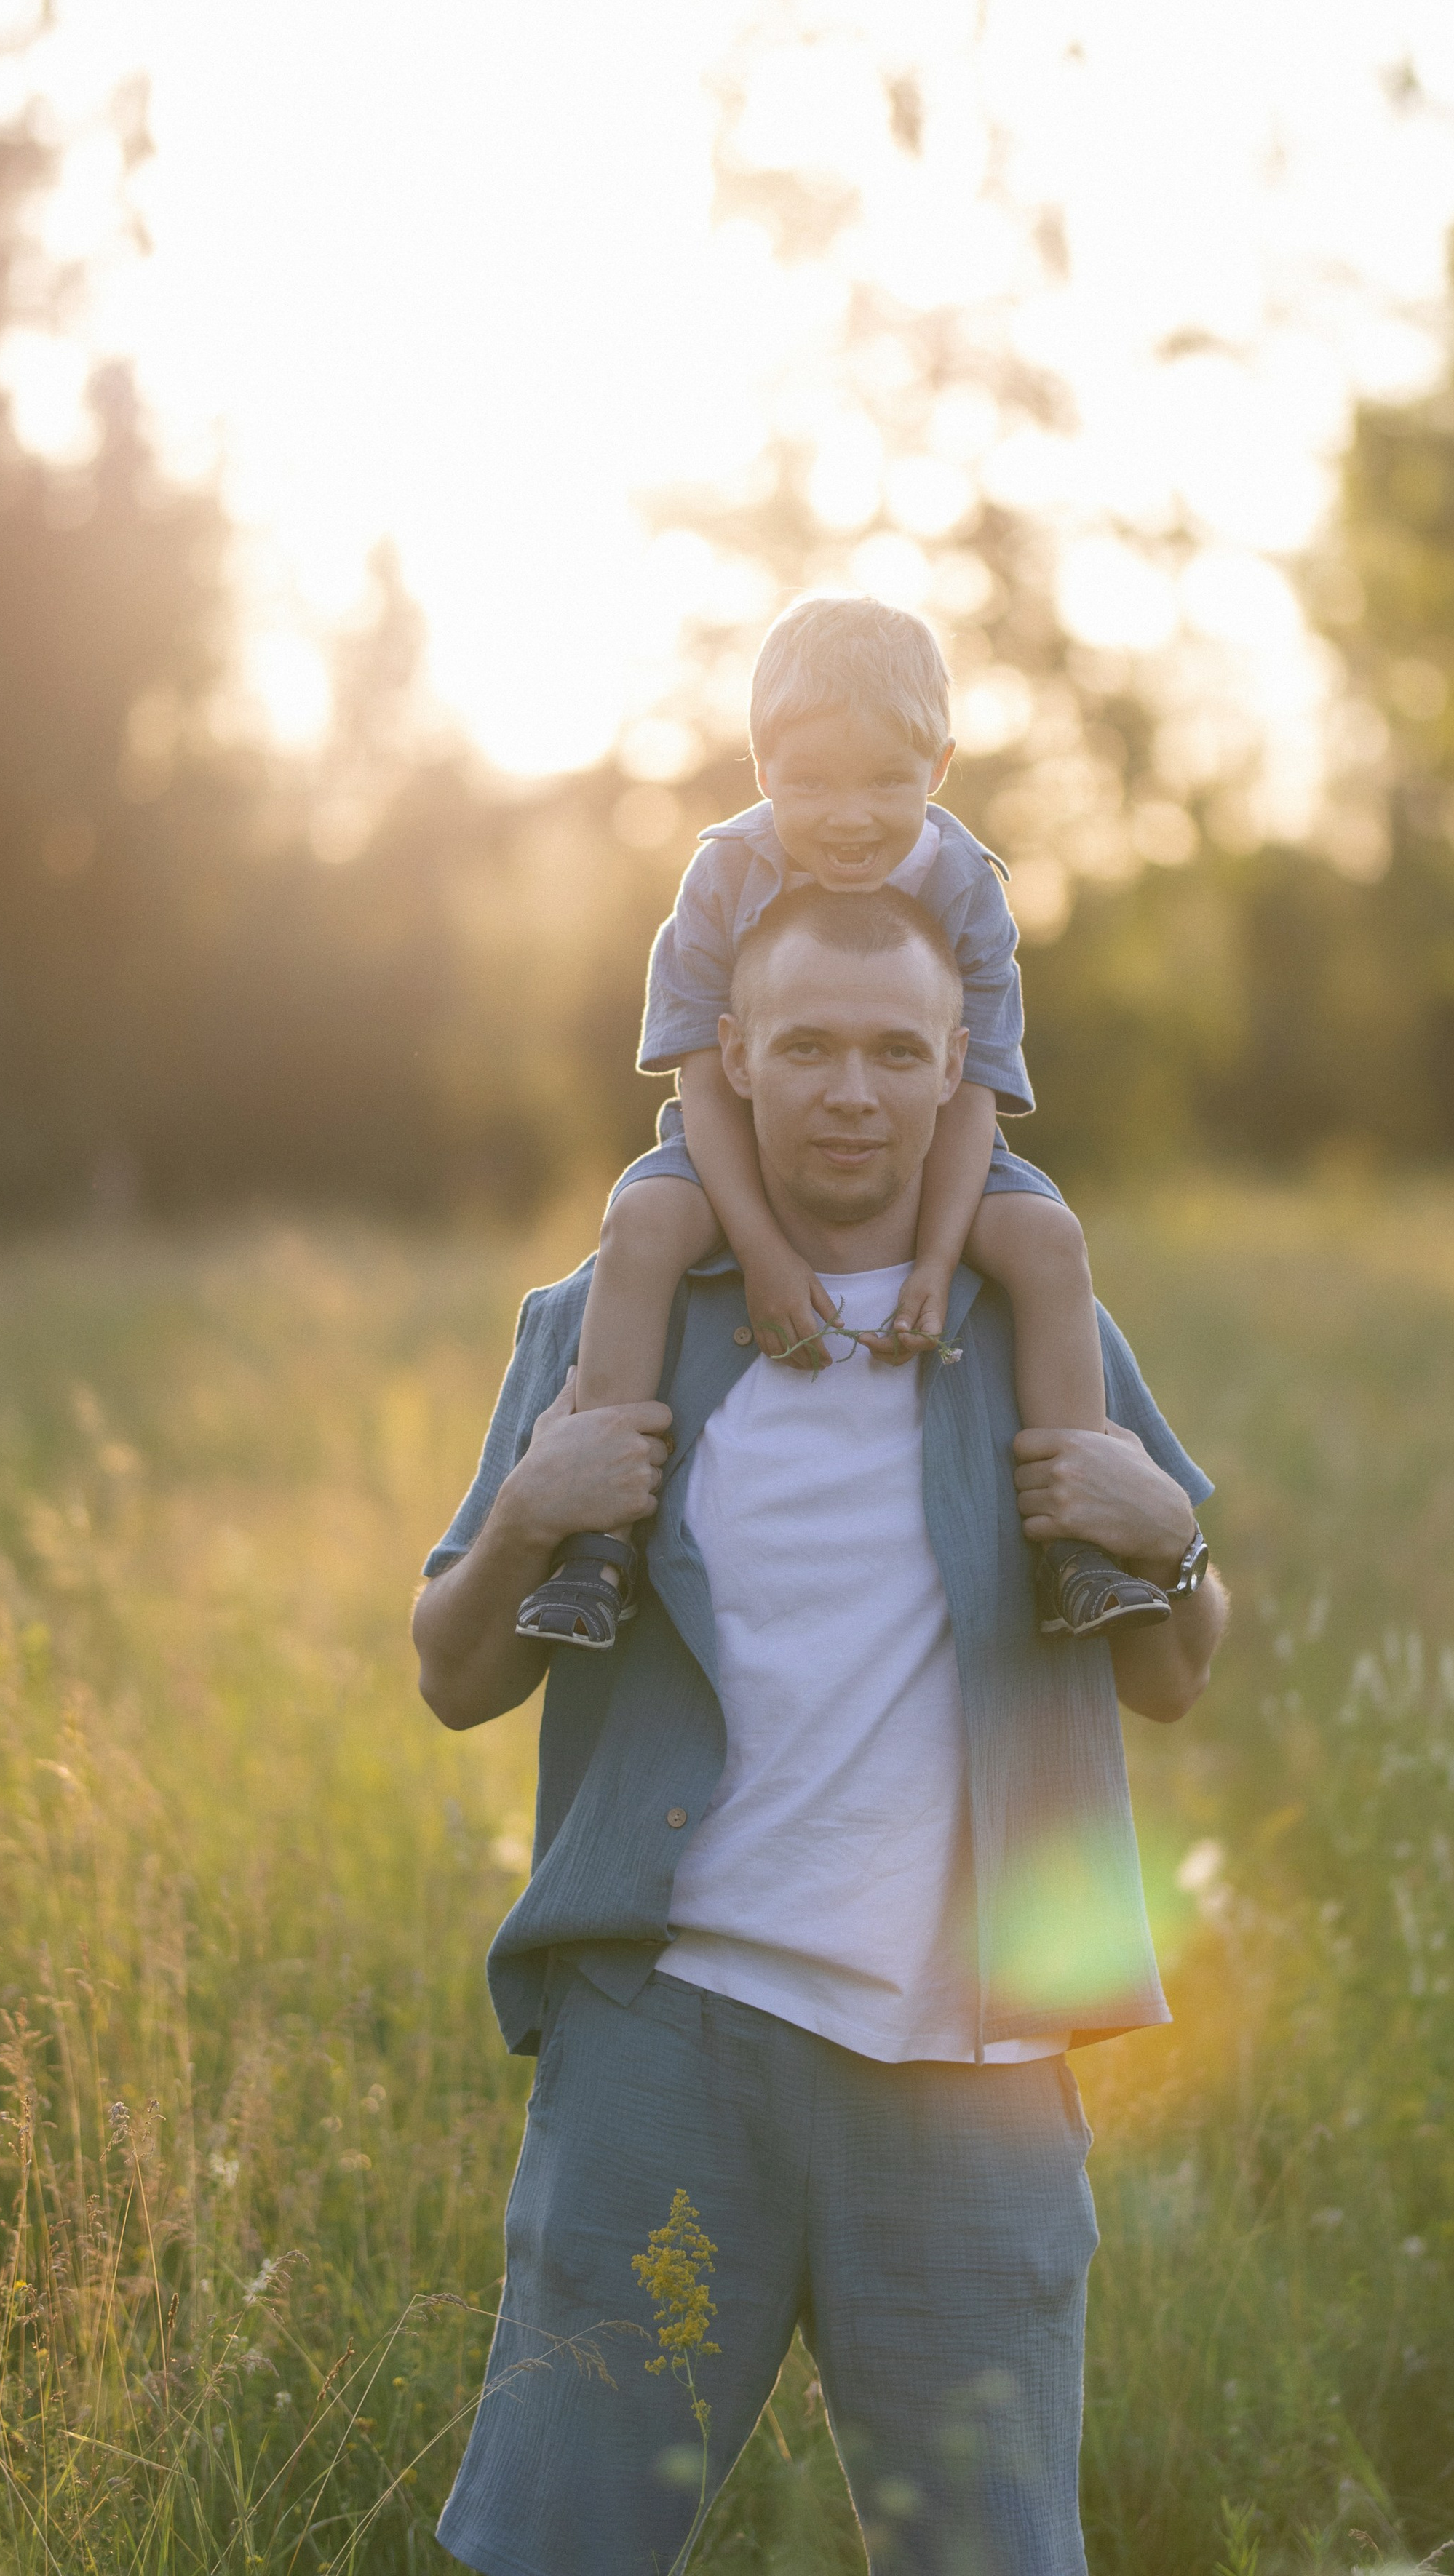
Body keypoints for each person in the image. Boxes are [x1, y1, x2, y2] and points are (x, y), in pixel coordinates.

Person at [413, 880, 1227, 2576]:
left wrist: (1174, 1544)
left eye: (890, 1052)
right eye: (804, 1049)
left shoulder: (1039, 1329)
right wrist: (527, 1516)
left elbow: (1169, 1670)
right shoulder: (602, 1324)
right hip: (665, 2039)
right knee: (555, 2550)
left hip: (975, 2075)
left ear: (955, 1078)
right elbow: (452, 1672)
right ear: (732, 1057)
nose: (848, 1090)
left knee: (992, 2557)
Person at [514, 591, 1168, 1653]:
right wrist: (763, 1253)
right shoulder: (723, 873)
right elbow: (703, 1083)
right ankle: (599, 1549)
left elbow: (970, 1091)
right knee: (641, 1229)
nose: (850, 816)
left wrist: (937, 1257)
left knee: (1047, 1239)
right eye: (810, 782)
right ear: (762, 769)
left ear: (941, 770)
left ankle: (1073, 1549)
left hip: (938, 1143)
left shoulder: (966, 890)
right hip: (731, 1130)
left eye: (886, 783)